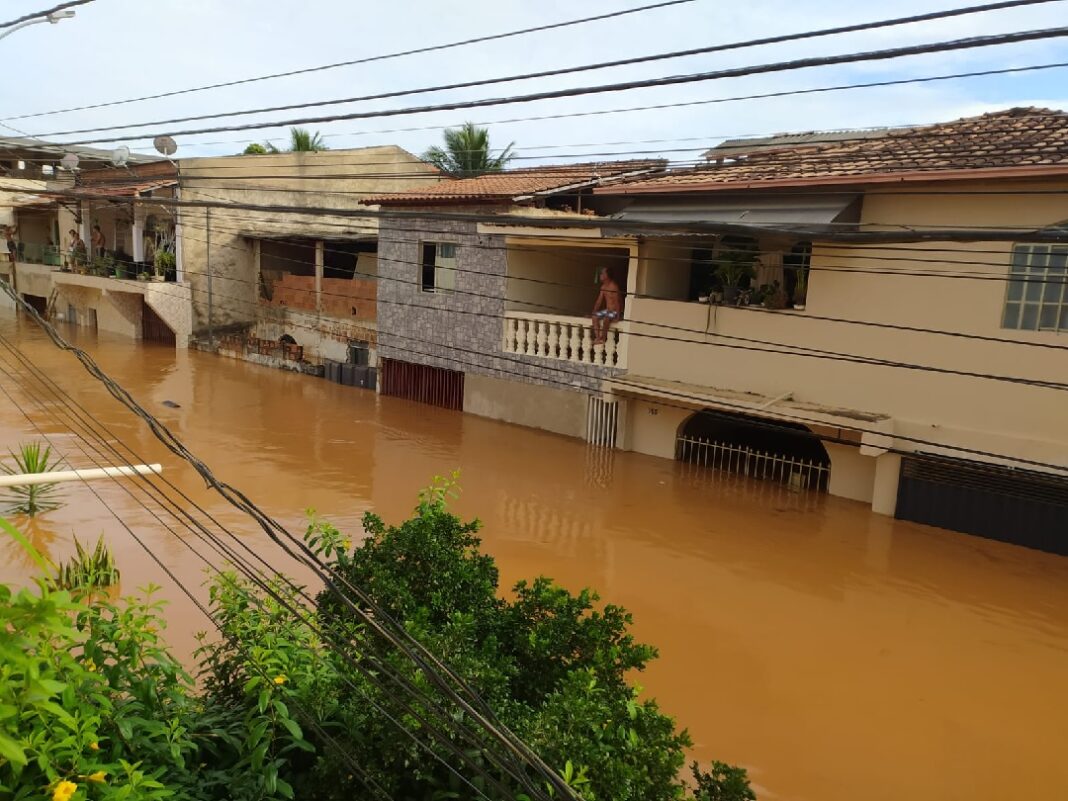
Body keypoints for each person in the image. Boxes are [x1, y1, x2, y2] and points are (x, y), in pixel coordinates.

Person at [591, 266, 623, 345]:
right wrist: (594, 311)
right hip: (608, 311)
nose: (600, 275)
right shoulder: (603, 287)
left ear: (607, 275)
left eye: (602, 273)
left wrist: (618, 316)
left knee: (606, 319)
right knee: (595, 317)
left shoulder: (613, 287)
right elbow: (599, 301)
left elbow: (617, 302)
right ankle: (598, 337)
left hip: (614, 311)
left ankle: (603, 338)